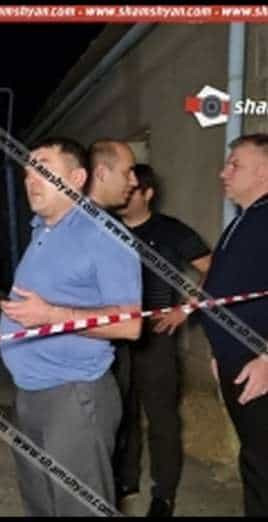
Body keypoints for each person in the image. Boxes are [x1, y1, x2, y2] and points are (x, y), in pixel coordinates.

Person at [0, 137, 142, 516]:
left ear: (77, 178)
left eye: (43, 170)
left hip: (74, 395)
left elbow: (130, 325)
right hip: (30, 391)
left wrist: (51, 316)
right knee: (41, 504)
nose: (30, 180)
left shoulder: (103, 233)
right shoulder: (43, 229)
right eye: (27, 172)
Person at [113, 164, 211, 516]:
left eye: (132, 190)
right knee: (121, 414)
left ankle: (163, 494)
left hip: (156, 336)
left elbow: (212, 266)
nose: (124, 196)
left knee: (162, 418)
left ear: (148, 193)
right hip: (115, 337)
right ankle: (125, 480)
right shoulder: (105, 230)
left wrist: (185, 310)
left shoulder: (170, 230)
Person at [199, 133, 268, 516]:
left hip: (261, 368)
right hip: (237, 362)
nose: (222, 172)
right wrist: (220, 351)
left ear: (264, 171)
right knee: (255, 463)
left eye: (234, 165)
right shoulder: (246, 220)